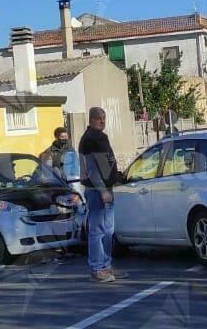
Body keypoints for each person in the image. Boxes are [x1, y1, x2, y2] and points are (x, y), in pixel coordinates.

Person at [79, 107, 127, 283]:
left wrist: (115, 178)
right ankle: (97, 269)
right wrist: (103, 190)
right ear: (91, 119)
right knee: (97, 231)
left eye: (104, 118)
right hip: (96, 190)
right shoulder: (89, 139)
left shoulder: (100, 137)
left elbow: (107, 164)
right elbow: (92, 169)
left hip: (107, 188)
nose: (103, 121)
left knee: (108, 230)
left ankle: (106, 266)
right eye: (99, 119)